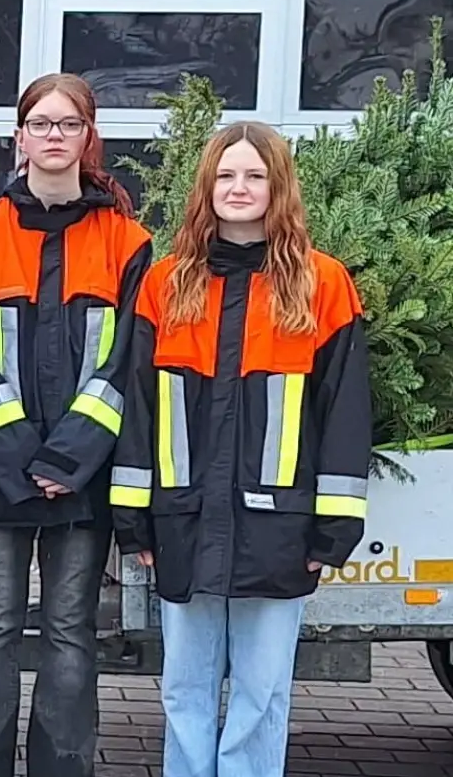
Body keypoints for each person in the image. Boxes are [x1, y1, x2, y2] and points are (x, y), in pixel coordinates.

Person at [110, 121, 370, 777]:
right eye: (226, 175)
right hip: (184, 517)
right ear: (207, 187)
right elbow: (139, 410)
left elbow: (344, 418)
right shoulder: (166, 283)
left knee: (262, 694)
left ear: (278, 187)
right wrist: (134, 515)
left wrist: (331, 528)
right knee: (184, 690)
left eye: (255, 175)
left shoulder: (323, 285)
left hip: (277, 527)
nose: (239, 187)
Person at [0, 73, 152, 777]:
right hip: (1, 475)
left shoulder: (128, 243)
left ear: (88, 138)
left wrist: (68, 460)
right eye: (41, 123)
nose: (54, 136)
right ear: (20, 136)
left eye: (68, 124)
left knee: (69, 634)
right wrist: (23, 458)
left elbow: (126, 365)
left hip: (81, 479)